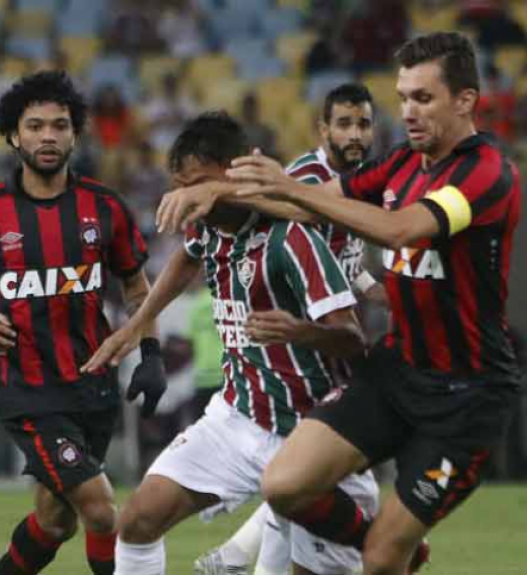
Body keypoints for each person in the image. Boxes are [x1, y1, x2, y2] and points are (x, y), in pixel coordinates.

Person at [155, 32, 522, 575]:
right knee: (284, 485)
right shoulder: (400, 164)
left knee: (378, 559)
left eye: (423, 98)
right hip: (397, 370)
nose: (408, 112)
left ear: (465, 100)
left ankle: (388, 550)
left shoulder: (486, 172)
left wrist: (290, 189)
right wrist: (220, 192)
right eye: (403, 98)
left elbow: (400, 230)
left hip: (465, 396)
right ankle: (391, 548)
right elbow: (316, 208)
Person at [81, 112, 374, 575]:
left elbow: (354, 341)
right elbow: (184, 258)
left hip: (312, 435)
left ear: (235, 172)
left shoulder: (291, 238)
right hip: (236, 418)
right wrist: (138, 322)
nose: (188, 200)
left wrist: (297, 331)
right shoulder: (212, 227)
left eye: (197, 185)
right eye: (180, 188)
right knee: (138, 520)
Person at [0, 70, 167, 575]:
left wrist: (151, 353)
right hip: (28, 391)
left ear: (75, 135)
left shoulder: (104, 207)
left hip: (93, 386)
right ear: (14, 136)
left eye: (59, 126)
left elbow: (136, 287)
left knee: (55, 521)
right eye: (35, 126)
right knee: (102, 512)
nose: (47, 136)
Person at [195, 83, 388, 575]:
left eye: (363, 123)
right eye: (344, 123)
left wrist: (373, 287)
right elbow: (241, 227)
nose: (355, 134)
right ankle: (240, 554)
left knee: (314, 471)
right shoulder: (304, 177)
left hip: (333, 331)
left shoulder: (364, 180)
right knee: (327, 466)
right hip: (301, 338)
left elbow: (345, 253)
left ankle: (237, 557)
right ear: (322, 129)